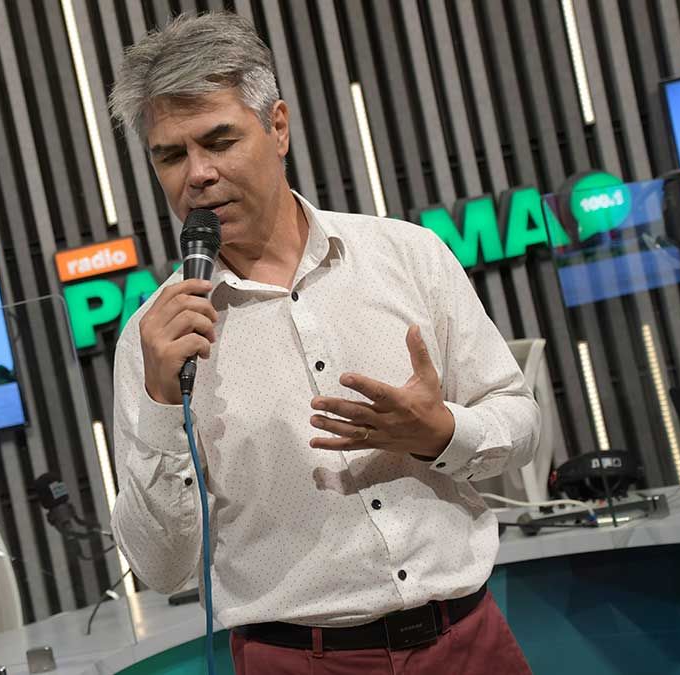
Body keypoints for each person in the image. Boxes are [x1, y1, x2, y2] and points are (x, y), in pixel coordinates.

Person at [107, 12, 538, 675]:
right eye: (171, 154)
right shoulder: (154, 341)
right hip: (299, 661)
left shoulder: (407, 255)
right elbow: (161, 567)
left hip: (466, 641)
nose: (198, 174)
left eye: (219, 140)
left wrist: (439, 431)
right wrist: (165, 404)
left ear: (277, 127)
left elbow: (522, 423)